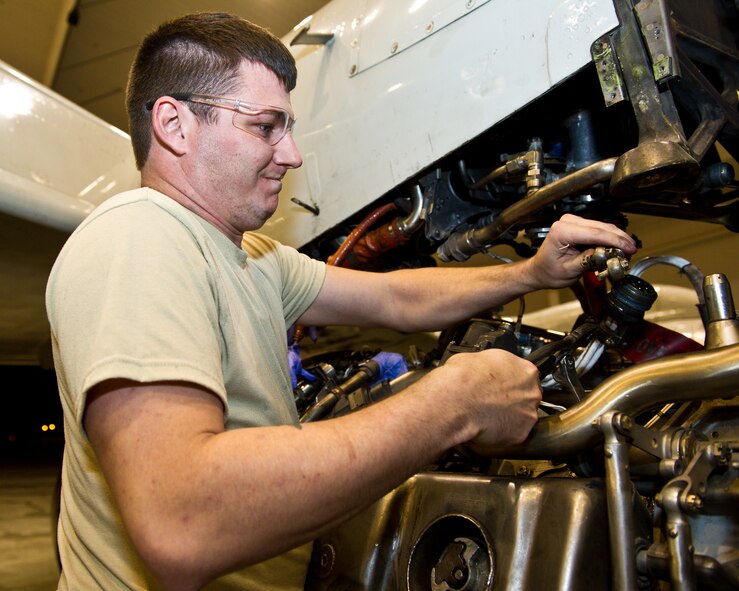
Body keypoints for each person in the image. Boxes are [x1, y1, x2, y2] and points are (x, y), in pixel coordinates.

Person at [45, 11, 638, 591]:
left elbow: (395, 299)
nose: (292, 154)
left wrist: (532, 273)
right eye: (264, 127)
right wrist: (454, 404)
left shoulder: (252, 258)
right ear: (174, 125)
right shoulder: (138, 238)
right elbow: (182, 525)